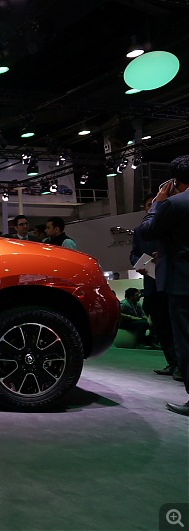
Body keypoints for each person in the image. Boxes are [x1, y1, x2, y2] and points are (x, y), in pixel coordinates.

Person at [138, 155, 189, 416]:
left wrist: (158, 202)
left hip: (182, 283)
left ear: (174, 181)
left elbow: (146, 230)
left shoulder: (173, 204)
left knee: (186, 340)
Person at [131, 193, 177, 376]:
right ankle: (172, 363)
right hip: (151, 284)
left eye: (155, 204)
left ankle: (182, 365)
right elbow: (133, 253)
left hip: (171, 282)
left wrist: (164, 255)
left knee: (175, 327)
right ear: (145, 208)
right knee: (161, 327)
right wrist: (139, 264)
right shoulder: (139, 230)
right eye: (149, 204)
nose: (152, 207)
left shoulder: (170, 227)